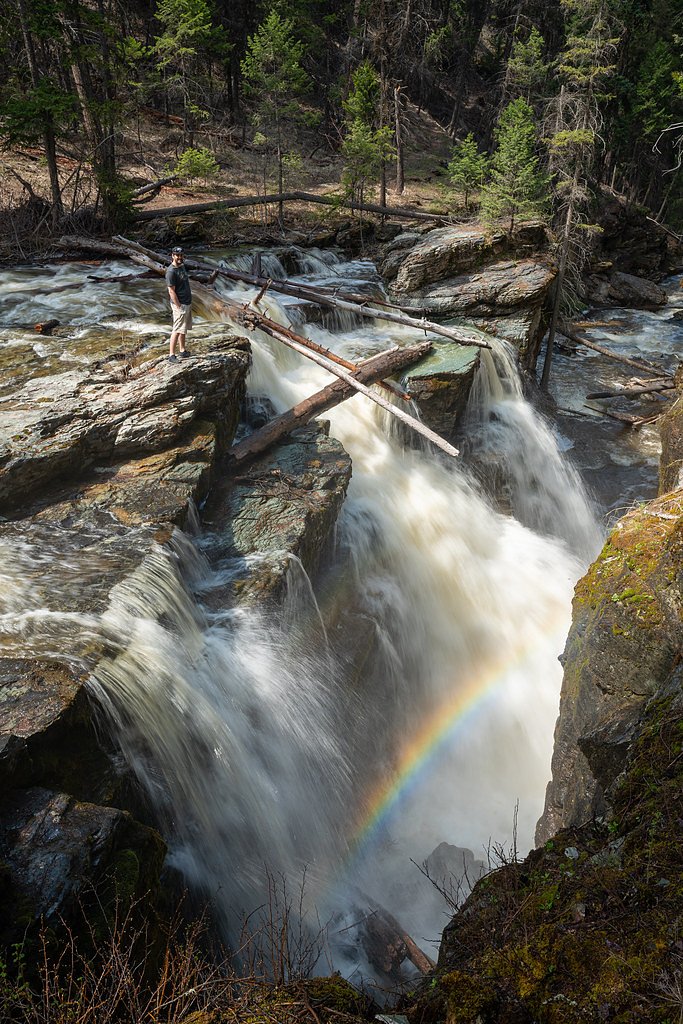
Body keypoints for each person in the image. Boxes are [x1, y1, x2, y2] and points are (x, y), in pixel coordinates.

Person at [165, 246, 192, 361]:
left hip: (187, 302)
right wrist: (178, 306)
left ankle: (182, 350)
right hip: (179, 304)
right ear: (172, 256)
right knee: (176, 329)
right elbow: (171, 291)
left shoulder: (181, 266)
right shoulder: (171, 271)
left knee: (183, 328)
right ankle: (171, 355)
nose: (180, 257)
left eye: (181, 255)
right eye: (177, 255)